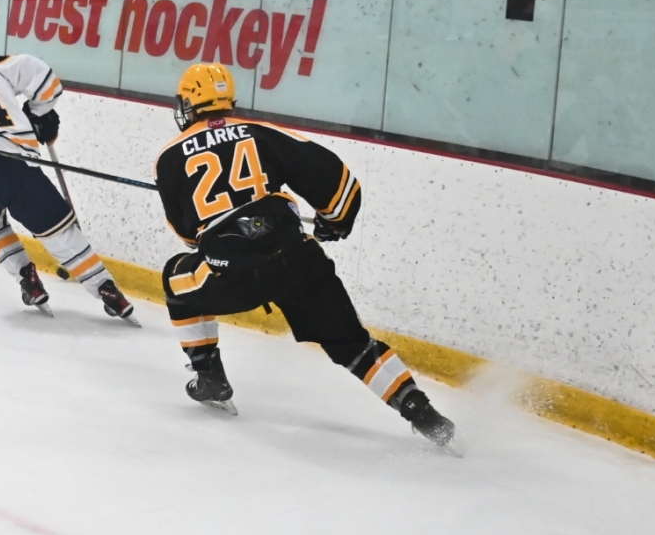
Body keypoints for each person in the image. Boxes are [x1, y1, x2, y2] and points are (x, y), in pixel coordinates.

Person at [152, 63, 454, 446]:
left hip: (233, 275)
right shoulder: (262, 133)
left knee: (176, 278)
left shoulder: (169, 157)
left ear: (189, 104)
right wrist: (333, 224)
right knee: (353, 345)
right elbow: (340, 185)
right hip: (295, 259)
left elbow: (188, 237)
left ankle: (209, 376)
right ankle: (422, 412)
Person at [0, 22, 136, 321]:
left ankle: (26, 278)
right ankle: (106, 289)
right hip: (17, 168)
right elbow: (48, 82)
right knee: (60, 234)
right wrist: (36, 113)